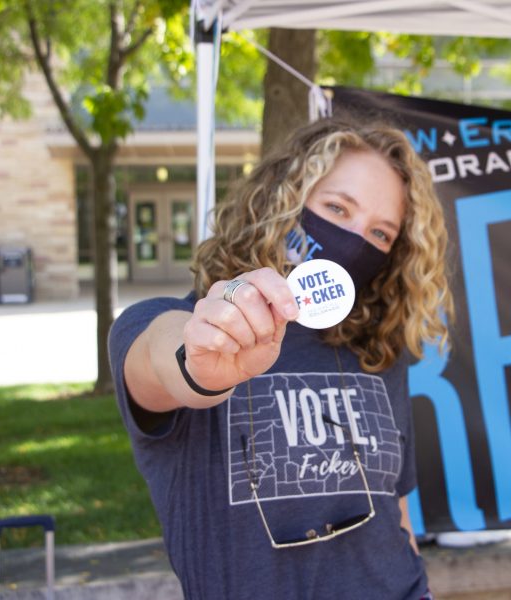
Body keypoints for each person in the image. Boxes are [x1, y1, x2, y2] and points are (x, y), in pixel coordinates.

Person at [108, 116, 453, 600]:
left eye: (379, 234)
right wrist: (199, 361)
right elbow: (160, 359)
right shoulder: (177, 322)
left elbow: (392, 506)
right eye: (336, 207)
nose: (354, 240)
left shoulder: (377, 348)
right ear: (282, 201)